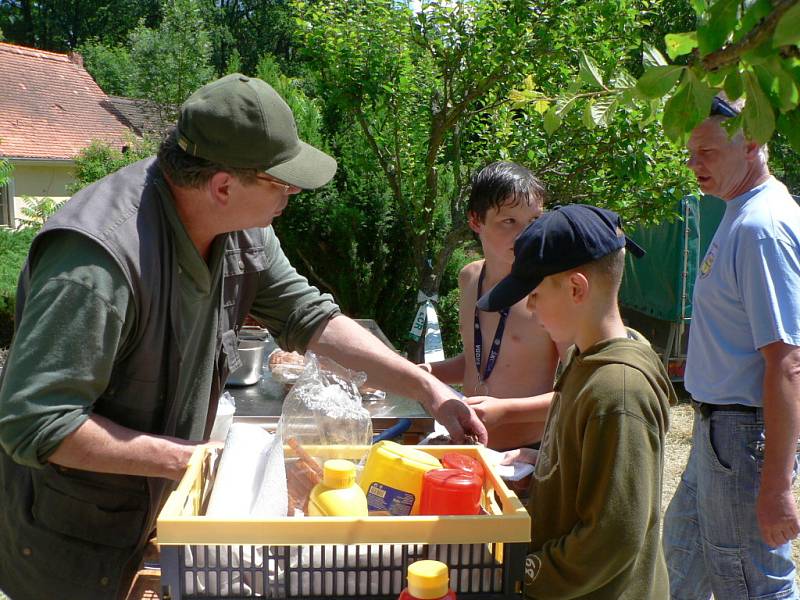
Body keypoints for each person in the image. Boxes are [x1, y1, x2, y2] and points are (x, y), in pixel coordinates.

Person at [0, 73, 486, 600]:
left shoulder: (240, 227)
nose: (293, 192)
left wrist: (428, 388)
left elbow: (311, 316)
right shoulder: (96, 264)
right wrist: (196, 459)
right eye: (281, 182)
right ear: (224, 185)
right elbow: (36, 423)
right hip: (70, 539)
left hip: (158, 511)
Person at [479, 203, 675, 599]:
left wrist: (522, 575)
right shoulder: (583, 357)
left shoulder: (618, 391)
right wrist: (544, 461)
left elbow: (613, 536)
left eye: (534, 294)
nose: (530, 310)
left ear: (575, 288)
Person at [662, 94, 800, 599]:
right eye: (691, 152)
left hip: (742, 435)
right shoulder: (740, 211)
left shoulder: (761, 228)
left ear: (754, 143)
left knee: (751, 583)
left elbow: (788, 364)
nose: (695, 164)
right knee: (684, 551)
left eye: (709, 151)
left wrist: (777, 487)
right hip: (716, 430)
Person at [422, 161, 560, 449]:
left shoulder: (552, 288)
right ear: (476, 221)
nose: (524, 235)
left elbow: (581, 393)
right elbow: (479, 363)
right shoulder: (469, 277)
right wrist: (424, 373)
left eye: (534, 222)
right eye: (508, 221)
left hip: (527, 456)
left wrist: (507, 411)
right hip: (471, 445)